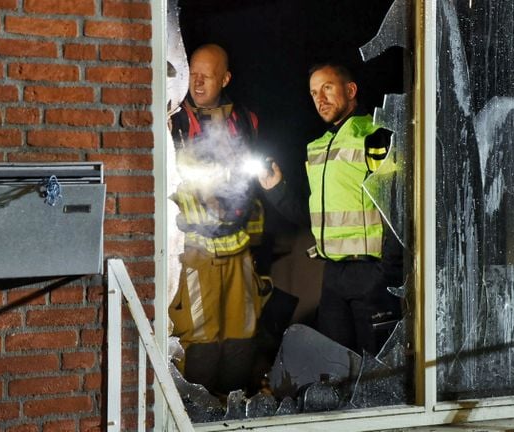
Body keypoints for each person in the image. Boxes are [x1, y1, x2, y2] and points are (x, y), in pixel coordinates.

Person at [258, 62, 403, 355]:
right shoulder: (316, 149)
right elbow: (313, 218)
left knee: (377, 372)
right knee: (337, 368)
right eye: (313, 93)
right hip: (334, 278)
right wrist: (276, 190)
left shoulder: (377, 136)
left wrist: (387, 271)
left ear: (350, 90)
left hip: (371, 274)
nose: (319, 99)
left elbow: (399, 205)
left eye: (327, 88)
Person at [167, 43, 266, 395]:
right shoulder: (174, 120)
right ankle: (194, 413)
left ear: (225, 78)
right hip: (195, 250)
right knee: (200, 340)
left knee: (242, 335)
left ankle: (236, 410)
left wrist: (256, 241)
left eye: (206, 76)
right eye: (192, 74)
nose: (196, 82)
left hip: (238, 249)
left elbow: (251, 184)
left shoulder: (245, 120)